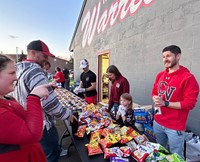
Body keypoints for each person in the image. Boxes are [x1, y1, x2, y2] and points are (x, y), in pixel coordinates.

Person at [12, 40, 75, 162]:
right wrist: (68, 114)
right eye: (44, 55)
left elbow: (27, 92)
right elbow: (49, 103)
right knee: (52, 153)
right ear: (33, 53)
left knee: (39, 155)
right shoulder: (35, 70)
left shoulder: (19, 70)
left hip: (27, 122)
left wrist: (48, 87)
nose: (46, 59)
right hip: (42, 125)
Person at [0, 54, 50, 162]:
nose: (16, 77)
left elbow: (26, 121)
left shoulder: (6, 98)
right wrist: (34, 97)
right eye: (11, 73)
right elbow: (32, 134)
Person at [152, 45, 199, 159]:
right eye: (163, 57)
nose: (165, 59)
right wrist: (155, 99)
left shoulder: (188, 78)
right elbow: (154, 92)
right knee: (160, 150)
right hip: (158, 121)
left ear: (178, 56)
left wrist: (165, 103)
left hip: (174, 127)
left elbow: (189, 103)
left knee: (176, 155)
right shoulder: (160, 75)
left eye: (168, 56)